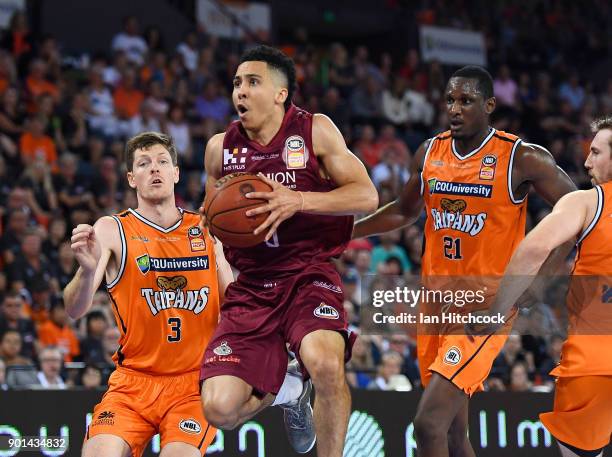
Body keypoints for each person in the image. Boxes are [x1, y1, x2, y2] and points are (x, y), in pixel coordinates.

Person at [353, 65, 576, 457]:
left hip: (484, 307)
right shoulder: (430, 151)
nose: (455, 109)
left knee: (427, 424)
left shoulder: (521, 157)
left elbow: (577, 213)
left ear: (489, 105)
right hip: (434, 304)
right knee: (455, 435)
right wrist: (346, 232)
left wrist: (539, 283)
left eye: (466, 101)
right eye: (450, 101)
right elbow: (403, 212)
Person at [201, 45, 378, 457]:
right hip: (251, 286)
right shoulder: (218, 149)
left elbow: (366, 195)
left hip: (306, 273)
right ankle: (290, 391)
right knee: (218, 409)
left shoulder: (315, 130)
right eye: (237, 83)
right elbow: (213, 223)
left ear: (281, 94)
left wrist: (298, 200)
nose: (240, 92)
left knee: (327, 365)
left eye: (252, 82)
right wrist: (223, 271)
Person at [64, 132, 233, 457]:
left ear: (176, 173)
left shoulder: (205, 229)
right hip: (133, 382)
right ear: (131, 178)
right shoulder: (111, 230)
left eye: (162, 162)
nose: (154, 169)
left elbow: (233, 303)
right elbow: (74, 309)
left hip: (192, 383)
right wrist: (86, 271)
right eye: (143, 163)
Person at [468, 115, 612, 457]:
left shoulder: (587, 201)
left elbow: (533, 248)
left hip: (596, 361)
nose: (587, 161)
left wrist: (497, 311)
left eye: (595, 152)